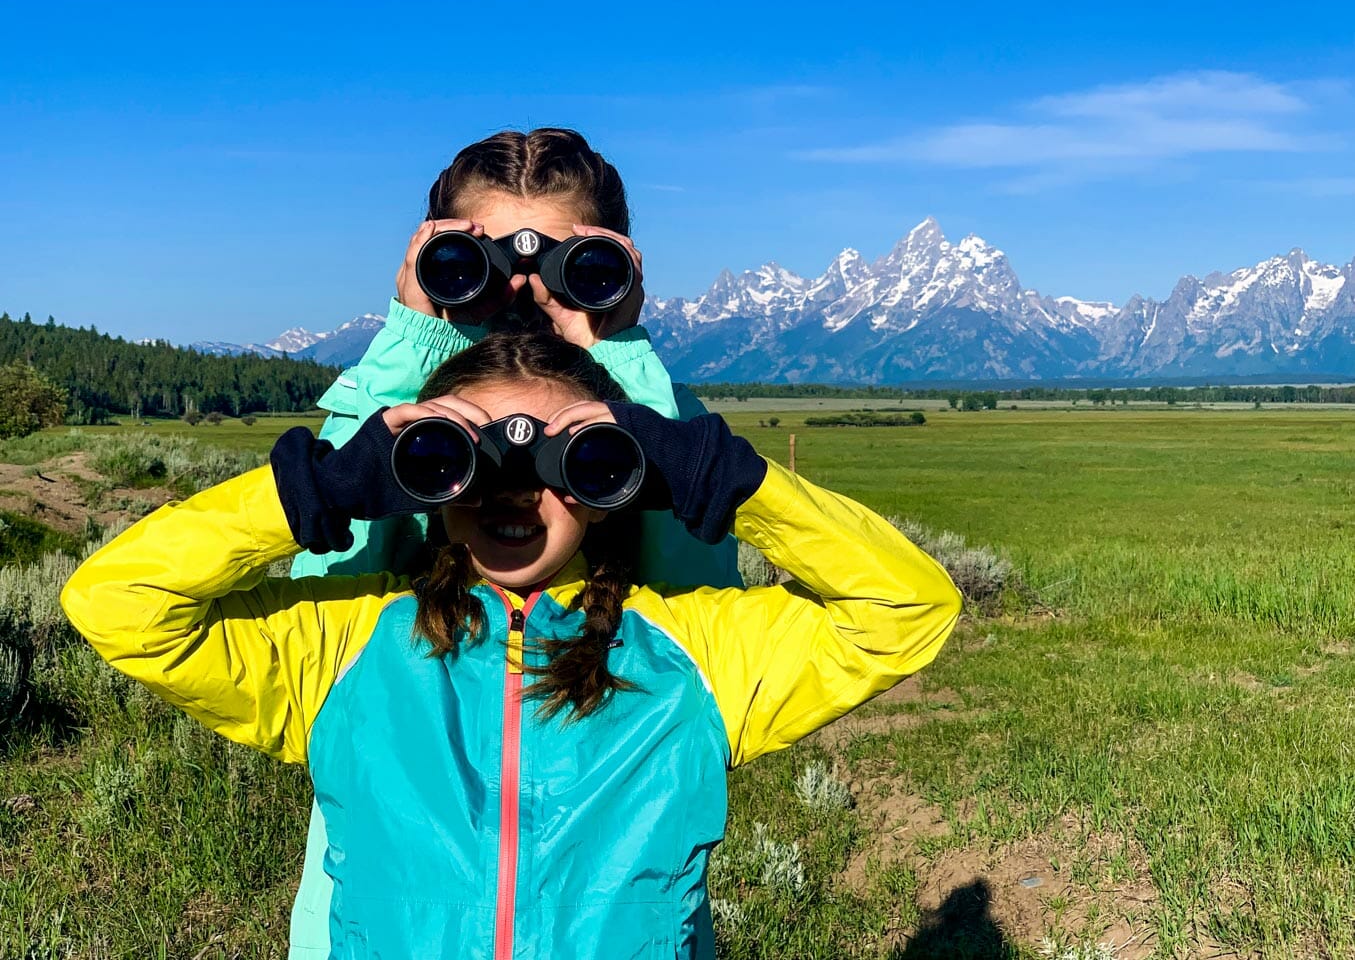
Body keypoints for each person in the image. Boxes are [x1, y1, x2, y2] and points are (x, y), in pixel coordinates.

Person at [62, 330, 962, 959]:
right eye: (468, 459)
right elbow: (116, 602)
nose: (513, 492)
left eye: (568, 467)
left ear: (615, 477)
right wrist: (322, 490)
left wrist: (718, 477)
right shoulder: (343, 647)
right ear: (420, 472)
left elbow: (908, 607)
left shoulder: (690, 653)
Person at [288, 127, 741, 955]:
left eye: (571, 267)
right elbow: (325, 572)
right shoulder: (403, 422)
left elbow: (699, 604)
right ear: (436, 262)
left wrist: (619, 368)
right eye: (482, 265)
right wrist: (410, 353)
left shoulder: (664, 427)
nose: (525, 296)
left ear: (616, 267)